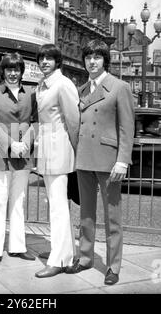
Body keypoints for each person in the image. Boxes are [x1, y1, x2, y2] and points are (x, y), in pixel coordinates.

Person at [66, 39, 135, 285]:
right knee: (85, 213)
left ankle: (113, 266)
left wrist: (123, 161)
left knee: (112, 217)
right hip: (84, 158)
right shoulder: (82, 89)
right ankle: (85, 257)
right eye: (88, 57)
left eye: (97, 57)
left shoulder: (119, 87)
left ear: (105, 60)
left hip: (109, 161)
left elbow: (127, 128)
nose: (92, 62)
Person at [0, 52, 37, 269]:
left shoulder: (31, 94)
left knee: (18, 201)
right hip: (0, 154)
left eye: (16, 69)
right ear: (3, 71)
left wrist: (25, 141)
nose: (13, 73)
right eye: (9, 69)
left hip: (23, 153)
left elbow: (36, 122)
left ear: (21, 71)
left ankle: (17, 247)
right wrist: (10, 143)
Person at [34, 44, 80, 278]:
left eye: (49, 58)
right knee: (57, 205)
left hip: (60, 152)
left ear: (57, 61)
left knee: (59, 208)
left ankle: (59, 260)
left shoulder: (63, 84)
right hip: (48, 152)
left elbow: (74, 121)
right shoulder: (41, 86)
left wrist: (75, 152)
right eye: (41, 58)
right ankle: (67, 254)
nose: (44, 62)